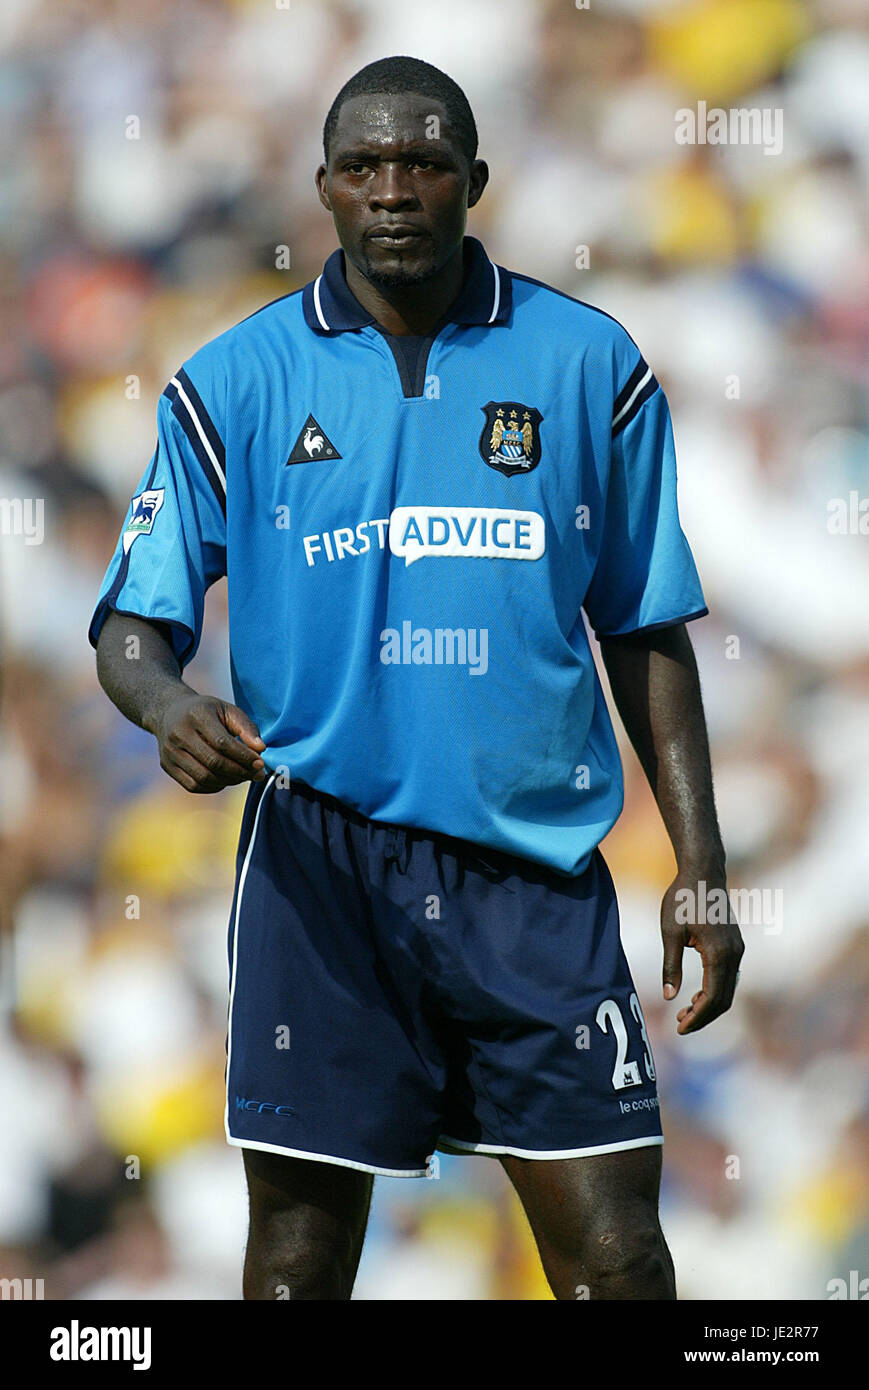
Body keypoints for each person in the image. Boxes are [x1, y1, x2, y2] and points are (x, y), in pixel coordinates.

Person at [89, 55, 744, 1301]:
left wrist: (701, 870)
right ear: (324, 189)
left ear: (474, 183)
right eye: (365, 167)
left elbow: (646, 628)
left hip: (532, 878)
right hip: (318, 869)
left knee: (617, 1258)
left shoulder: (588, 365)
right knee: (296, 1260)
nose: (395, 190)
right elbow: (131, 624)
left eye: (425, 164)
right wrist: (170, 706)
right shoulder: (234, 381)